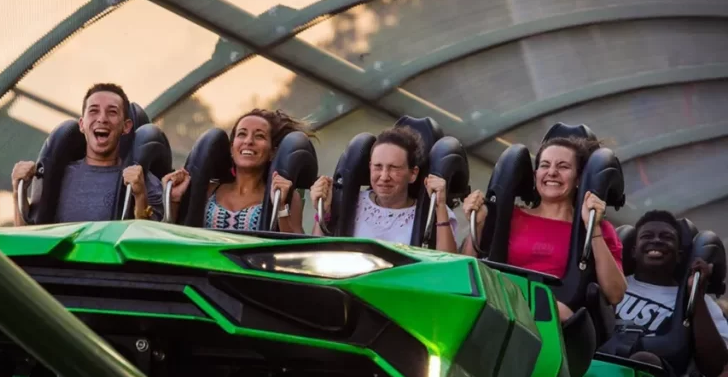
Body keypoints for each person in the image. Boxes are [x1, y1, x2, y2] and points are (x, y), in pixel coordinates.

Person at [462, 137, 625, 320]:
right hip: (500, 307)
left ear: (578, 178)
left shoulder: (598, 226)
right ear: (535, 174)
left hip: (556, 320)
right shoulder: (507, 217)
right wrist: (477, 225)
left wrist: (593, 228)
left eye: (563, 167)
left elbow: (615, 294)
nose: (552, 172)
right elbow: (464, 272)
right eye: (545, 165)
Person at [613, 210, 728, 377]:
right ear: (634, 251)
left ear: (679, 254)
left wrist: (696, 297)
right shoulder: (614, 283)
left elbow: (716, 364)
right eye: (647, 236)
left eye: (666, 237)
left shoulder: (698, 300)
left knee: (643, 360)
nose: (656, 240)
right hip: (604, 373)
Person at [10, 83, 163, 225]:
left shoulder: (141, 180)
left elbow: (151, 244)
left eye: (112, 112)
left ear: (126, 126)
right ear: (82, 124)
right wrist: (19, 190)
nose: (102, 119)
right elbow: (24, 240)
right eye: (94, 111)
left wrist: (140, 195)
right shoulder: (56, 177)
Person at [307, 126, 458, 251]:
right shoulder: (346, 202)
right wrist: (323, 212)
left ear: (413, 174)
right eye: (378, 167)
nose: (384, 176)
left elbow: (450, 265)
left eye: (394, 168)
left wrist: (440, 208)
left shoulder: (431, 212)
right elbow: (317, 252)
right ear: (370, 167)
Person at [162, 109, 310, 233]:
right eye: (242, 134)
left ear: (272, 152)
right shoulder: (208, 190)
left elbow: (296, 248)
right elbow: (170, 234)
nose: (248, 141)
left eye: (259, 136)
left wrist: (281, 206)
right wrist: (174, 200)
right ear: (232, 149)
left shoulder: (283, 194)